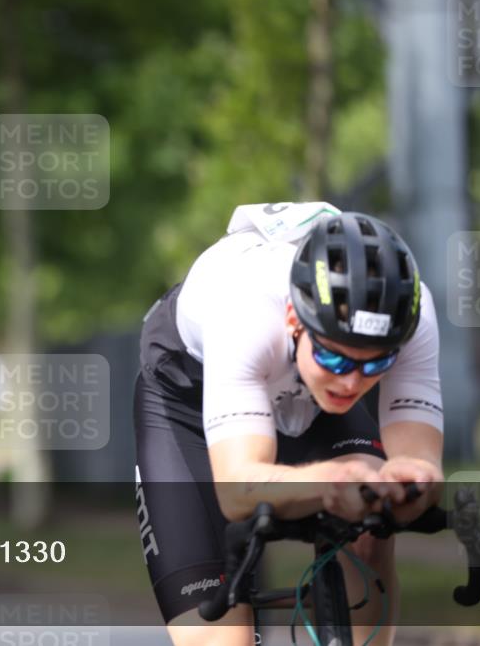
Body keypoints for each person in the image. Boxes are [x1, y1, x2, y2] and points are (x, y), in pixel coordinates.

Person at [134, 202, 444, 646]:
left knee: (375, 523)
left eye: (377, 362)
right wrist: (335, 480)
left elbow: (417, 463)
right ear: (295, 319)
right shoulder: (246, 310)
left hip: (308, 403)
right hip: (188, 400)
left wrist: (408, 486)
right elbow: (239, 488)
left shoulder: (412, 317)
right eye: (334, 356)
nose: (352, 380)